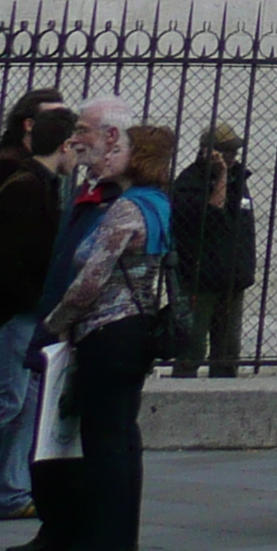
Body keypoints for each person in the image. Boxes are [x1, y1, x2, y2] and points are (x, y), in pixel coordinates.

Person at [32, 115, 170, 551]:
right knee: (123, 438)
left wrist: (54, 323)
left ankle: (105, 537)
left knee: (103, 440)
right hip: (138, 329)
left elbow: (91, 280)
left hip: (106, 331)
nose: (113, 153)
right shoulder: (158, 203)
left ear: (138, 158)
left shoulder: (127, 209)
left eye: (122, 148)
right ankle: (119, 534)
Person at [0, 100, 74, 526]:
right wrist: (35, 300)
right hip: (19, 313)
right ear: (63, 146)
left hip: (31, 313)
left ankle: (11, 490)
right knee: (10, 401)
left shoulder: (43, 183)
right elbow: (9, 256)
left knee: (25, 403)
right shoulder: (27, 186)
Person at [167, 124, 255, 378]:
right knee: (192, 348)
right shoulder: (189, 182)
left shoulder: (239, 179)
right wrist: (222, 176)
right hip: (200, 280)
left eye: (233, 152)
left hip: (231, 279)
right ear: (208, 152)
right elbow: (212, 215)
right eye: (225, 151)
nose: (231, 157)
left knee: (227, 350)